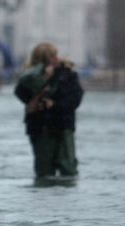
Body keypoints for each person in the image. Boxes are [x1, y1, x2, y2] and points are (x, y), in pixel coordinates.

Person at [14, 42, 83, 178]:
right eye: (51, 57)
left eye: (55, 55)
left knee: (68, 169)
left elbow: (75, 98)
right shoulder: (30, 77)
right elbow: (22, 94)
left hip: (63, 126)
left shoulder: (67, 74)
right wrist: (43, 79)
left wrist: (54, 105)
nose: (56, 59)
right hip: (40, 128)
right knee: (44, 172)